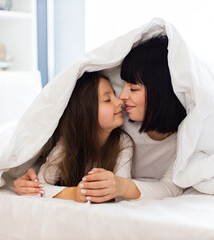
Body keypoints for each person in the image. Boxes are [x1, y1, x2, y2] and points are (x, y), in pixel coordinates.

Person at [14, 35, 186, 202]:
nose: (122, 97)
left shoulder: (181, 138)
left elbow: (172, 187)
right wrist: (31, 180)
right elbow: (48, 158)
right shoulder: (119, 118)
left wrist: (122, 186)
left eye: (133, 89)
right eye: (123, 85)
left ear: (161, 94)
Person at [13, 71, 134, 203]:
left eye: (114, 95)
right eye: (107, 99)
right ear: (86, 114)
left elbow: (121, 192)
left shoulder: (123, 142)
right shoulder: (66, 145)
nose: (119, 101)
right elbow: (41, 186)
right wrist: (74, 194)